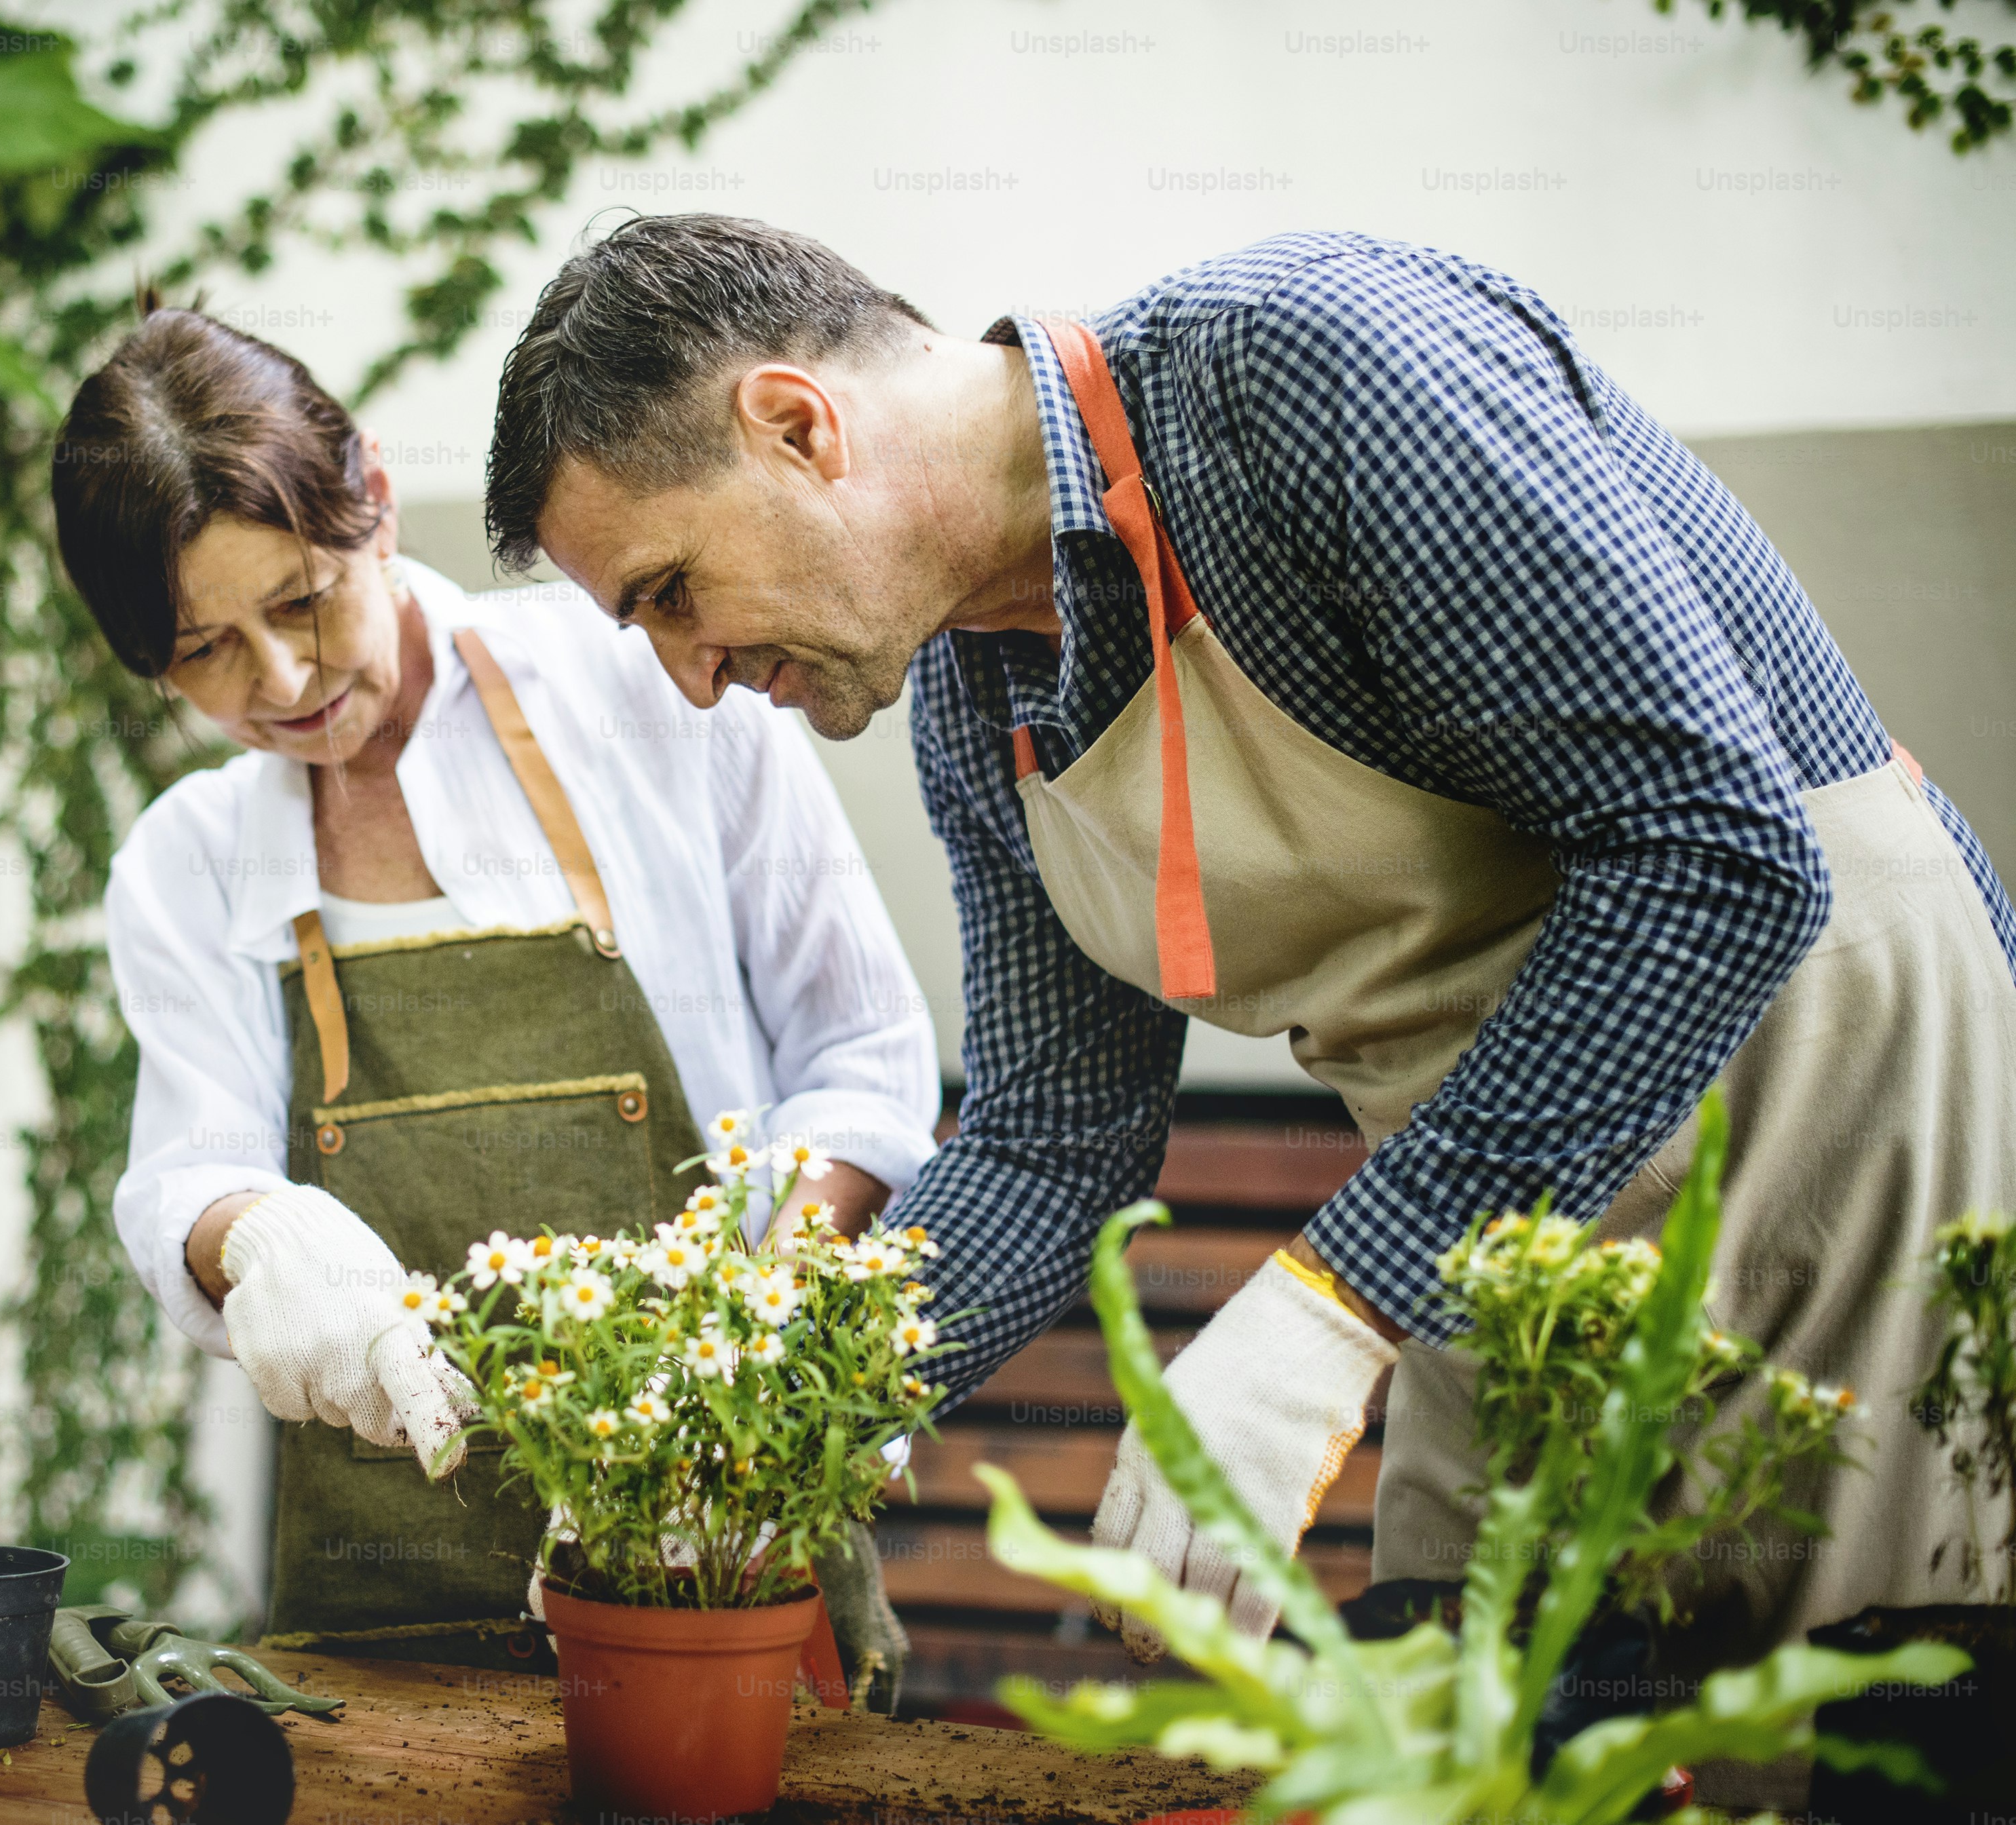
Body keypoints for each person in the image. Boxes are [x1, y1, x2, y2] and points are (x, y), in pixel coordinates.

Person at [480, 214, 2016, 1674]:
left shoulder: (1310, 369)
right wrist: (759, 1414)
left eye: (671, 592)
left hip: (1832, 1099)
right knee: (1467, 1721)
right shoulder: (976, 700)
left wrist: (1327, 1303)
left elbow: (1713, 858)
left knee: (1832, 1729)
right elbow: (1045, 1140)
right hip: (1496, 1211)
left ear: (795, 424)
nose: (690, 678)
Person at [52, 302, 940, 1680]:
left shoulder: (643, 671)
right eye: (202, 651)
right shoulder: (186, 865)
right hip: (385, 1615)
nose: (280, 680)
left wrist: (739, 1375)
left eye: (301, 601)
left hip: (720, 1552)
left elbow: (865, 1057)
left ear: (378, 509)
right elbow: (191, 1171)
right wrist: (260, 1239)